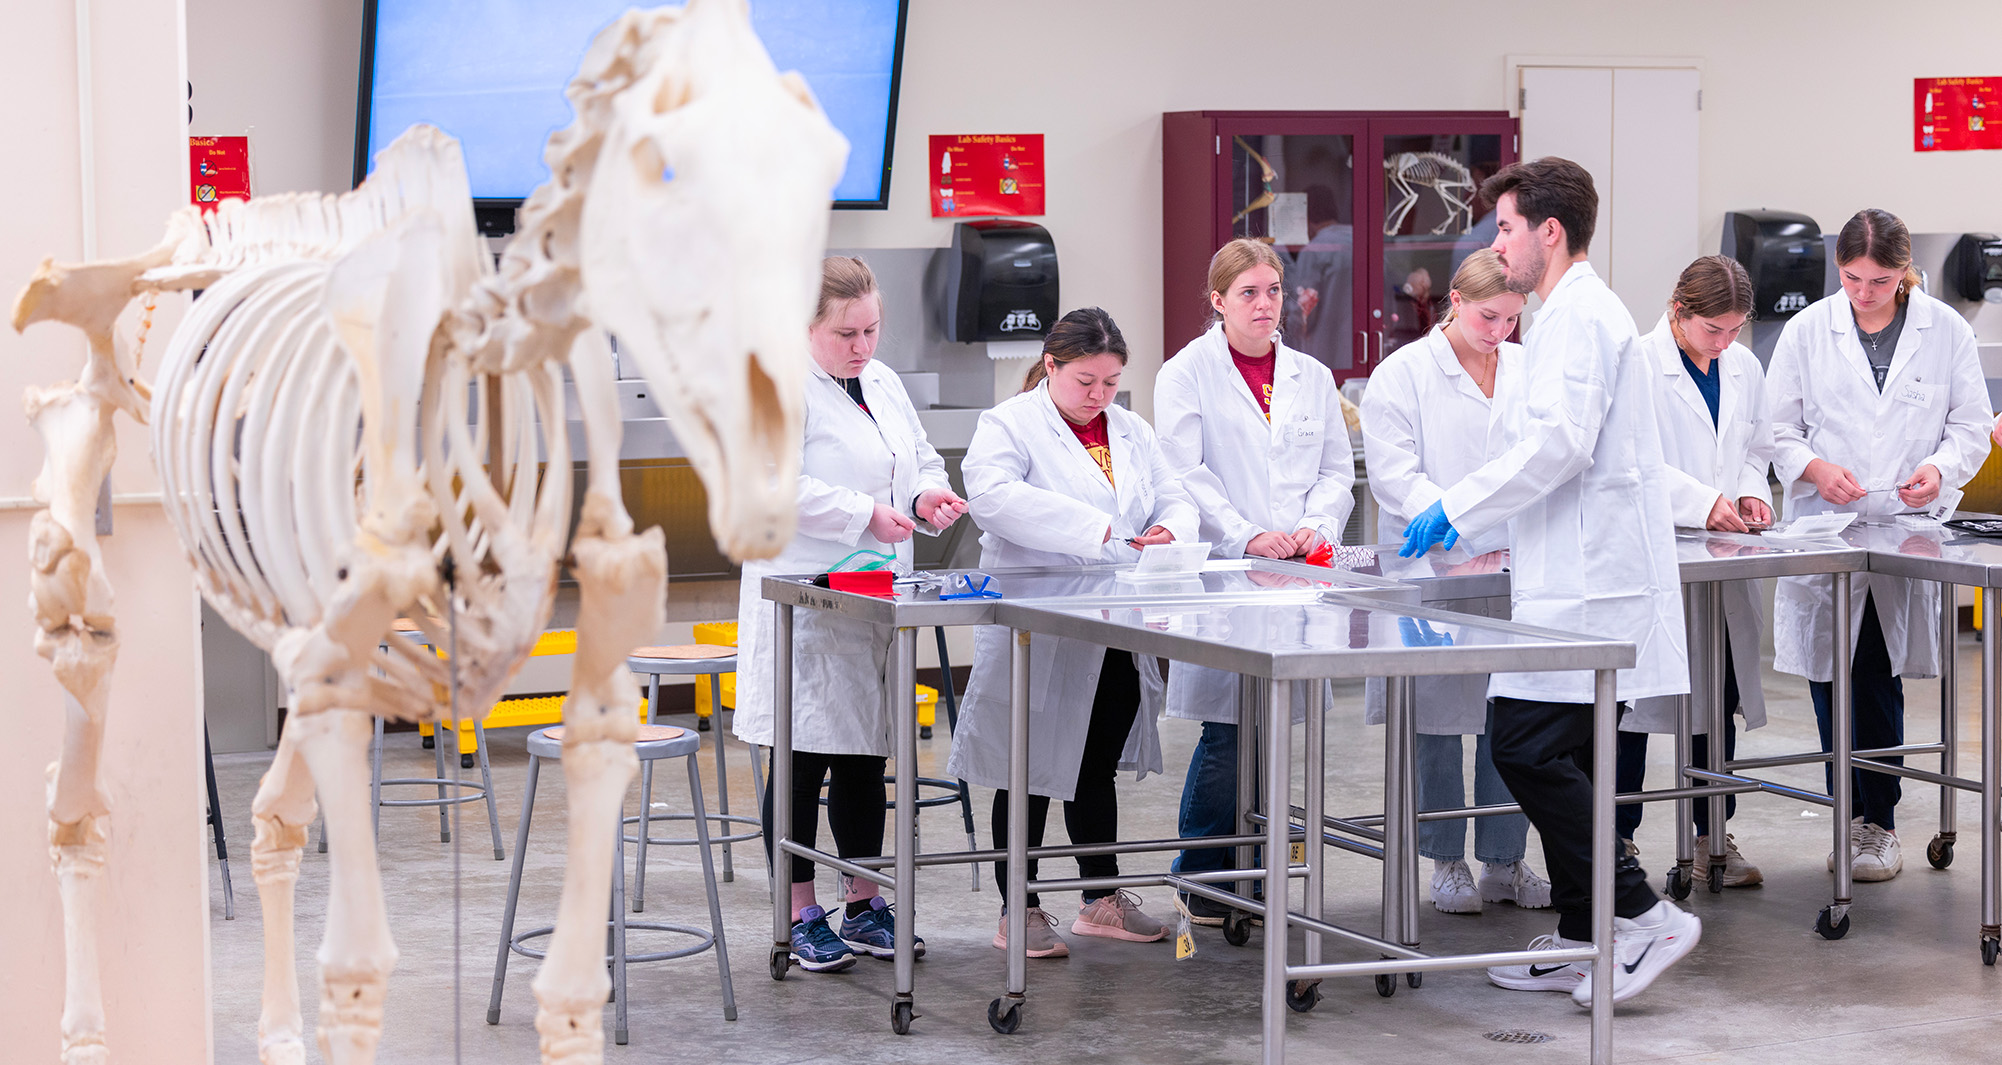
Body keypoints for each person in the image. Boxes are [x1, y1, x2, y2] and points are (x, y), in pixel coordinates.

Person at [1400, 157, 1700, 1007]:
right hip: (1569, 573)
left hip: (1589, 584)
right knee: (1550, 747)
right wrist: (1472, 513)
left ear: (1549, 231)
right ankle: (1582, 930)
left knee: (1521, 744)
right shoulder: (1565, 314)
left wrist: (1458, 506)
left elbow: (1561, 446)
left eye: (1504, 227)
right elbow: (1545, 448)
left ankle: (1641, 914)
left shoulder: (1579, 315)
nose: (1499, 243)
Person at [733, 257, 969, 973]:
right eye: (846, 333)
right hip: (802, 598)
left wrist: (929, 492)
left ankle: (864, 901)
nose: (862, 345)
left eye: (871, 329)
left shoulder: (881, 381)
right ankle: (801, 910)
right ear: (806, 326)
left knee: (869, 753)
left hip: (873, 597)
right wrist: (864, 512)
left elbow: (919, 454)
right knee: (804, 756)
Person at [946, 307, 1198, 958]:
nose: (1099, 396)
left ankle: (1101, 899)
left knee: (1095, 763)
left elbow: (1175, 495)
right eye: (1086, 380)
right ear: (1051, 366)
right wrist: (1099, 528)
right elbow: (995, 497)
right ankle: (1019, 909)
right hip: (1038, 621)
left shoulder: (1131, 430)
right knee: (1024, 766)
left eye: (1111, 382)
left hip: (1113, 618)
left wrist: (1171, 526)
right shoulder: (1009, 426)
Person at [1767, 209, 1991, 882]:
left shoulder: (1944, 330)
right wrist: (1814, 468)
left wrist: (1941, 469)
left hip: (1902, 527)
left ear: (1904, 274)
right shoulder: (1809, 331)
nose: (1864, 293)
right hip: (1826, 531)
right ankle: (1848, 814)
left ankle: (1879, 823)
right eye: (1853, 278)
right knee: (1830, 675)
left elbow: (1971, 424)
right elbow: (1776, 429)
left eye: (1880, 280)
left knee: (1877, 672)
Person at [1154, 238, 1356, 924]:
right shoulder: (1186, 374)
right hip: (1229, 573)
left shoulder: (1310, 375)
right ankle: (1203, 872)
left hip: (1297, 574)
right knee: (1230, 727)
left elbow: (1335, 469)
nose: (1265, 304)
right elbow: (1184, 473)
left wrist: (1315, 526)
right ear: (1217, 301)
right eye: (1248, 292)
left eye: (1273, 290)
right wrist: (1246, 534)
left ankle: (1254, 866)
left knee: (1277, 730)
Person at [1361, 249, 1551, 914]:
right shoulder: (1403, 374)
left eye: (1511, 318)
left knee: (1512, 713)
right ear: (1455, 300)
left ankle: (1505, 858)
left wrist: (1493, 532)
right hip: (1433, 569)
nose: (1498, 330)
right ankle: (1445, 861)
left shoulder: (1531, 370)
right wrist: (1459, 527)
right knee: (1437, 717)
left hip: (1515, 565)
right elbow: (1395, 474)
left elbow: (1541, 462)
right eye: (1487, 315)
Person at [1616, 255, 1773, 888]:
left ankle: (1714, 835)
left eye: (1736, 330)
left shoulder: (1743, 365)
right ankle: (1619, 841)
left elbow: (1754, 447)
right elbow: (1631, 461)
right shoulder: (1637, 365)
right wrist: (1701, 500)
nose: (1725, 343)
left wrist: (1750, 489)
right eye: (1714, 330)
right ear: (1679, 312)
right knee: (1633, 706)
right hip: (1653, 556)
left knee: (1720, 697)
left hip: (1722, 557)